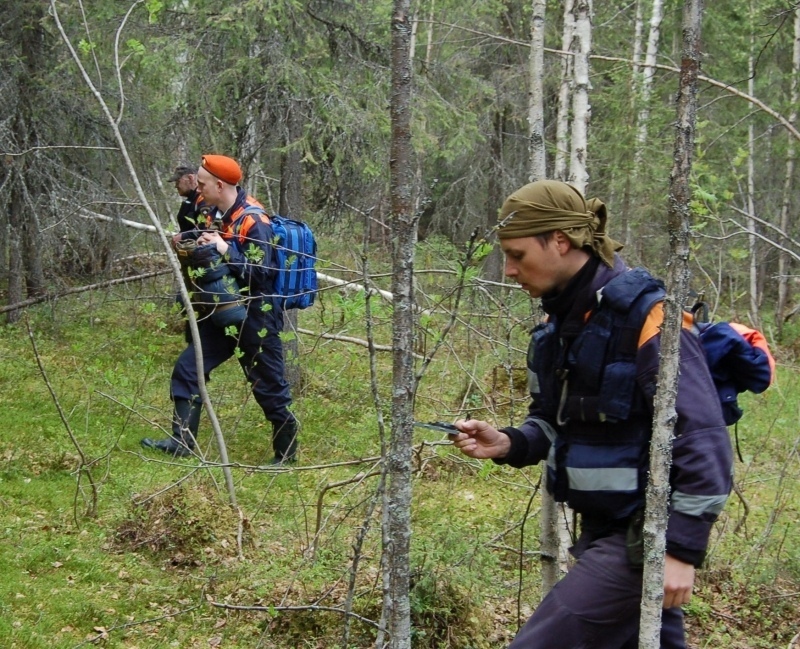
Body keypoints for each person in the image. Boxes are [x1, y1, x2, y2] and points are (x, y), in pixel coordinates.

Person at [451, 180, 732, 648]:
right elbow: (551, 420)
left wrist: (678, 550)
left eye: (518, 255)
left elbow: (703, 438)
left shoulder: (650, 318)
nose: (508, 270)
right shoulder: (557, 326)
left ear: (560, 241)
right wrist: (509, 442)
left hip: (641, 539)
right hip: (603, 531)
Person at [142, 154, 299, 465]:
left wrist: (226, 249)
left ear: (219, 185)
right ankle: (181, 443)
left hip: (256, 317)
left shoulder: (255, 221)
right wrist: (193, 240)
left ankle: (286, 455)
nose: (197, 188)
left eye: (201, 184)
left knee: (268, 386)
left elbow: (262, 275)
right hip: (221, 311)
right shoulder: (216, 213)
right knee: (189, 368)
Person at [168, 164, 211, 233]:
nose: (176, 186)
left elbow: (205, 228)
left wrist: (183, 236)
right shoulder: (190, 201)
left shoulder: (203, 199)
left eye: (178, 182)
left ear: (190, 178)